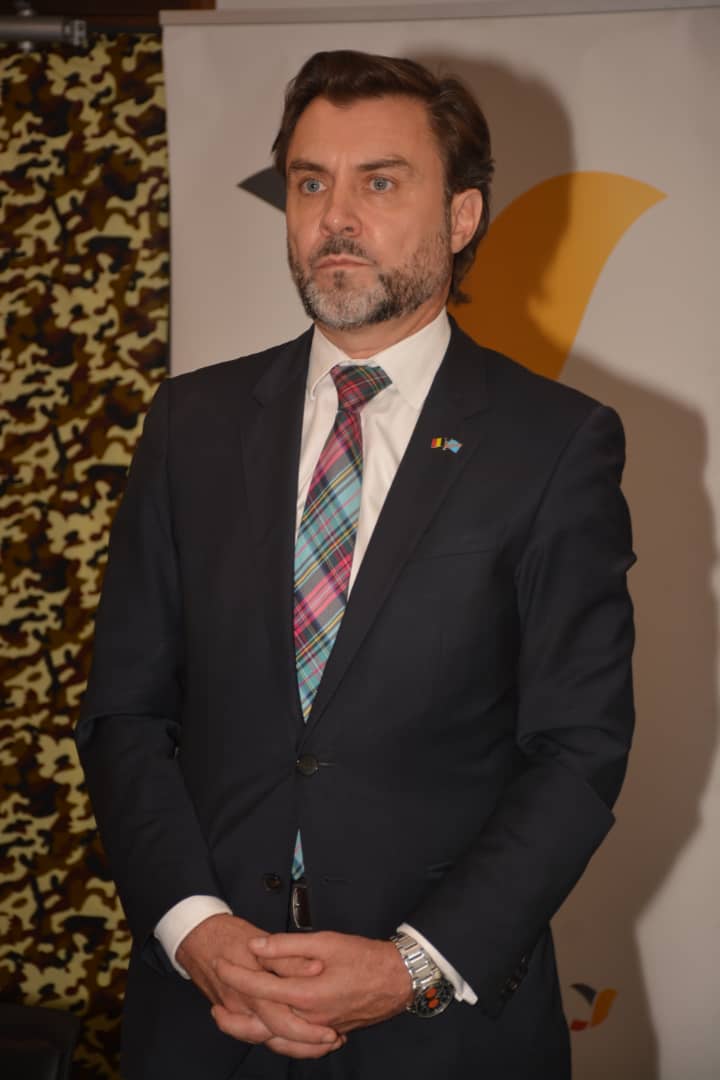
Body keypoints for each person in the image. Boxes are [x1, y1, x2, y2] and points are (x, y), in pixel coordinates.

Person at [77, 50, 635, 1080]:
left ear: (462, 217)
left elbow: (578, 751)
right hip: (205, 1016)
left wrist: (411, 966)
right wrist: (195, 929)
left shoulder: (555, 443)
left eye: (380, 182)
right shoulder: (191, 424)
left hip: (441, 1028)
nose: (335, 217)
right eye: (309, 183)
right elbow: (126, 714)